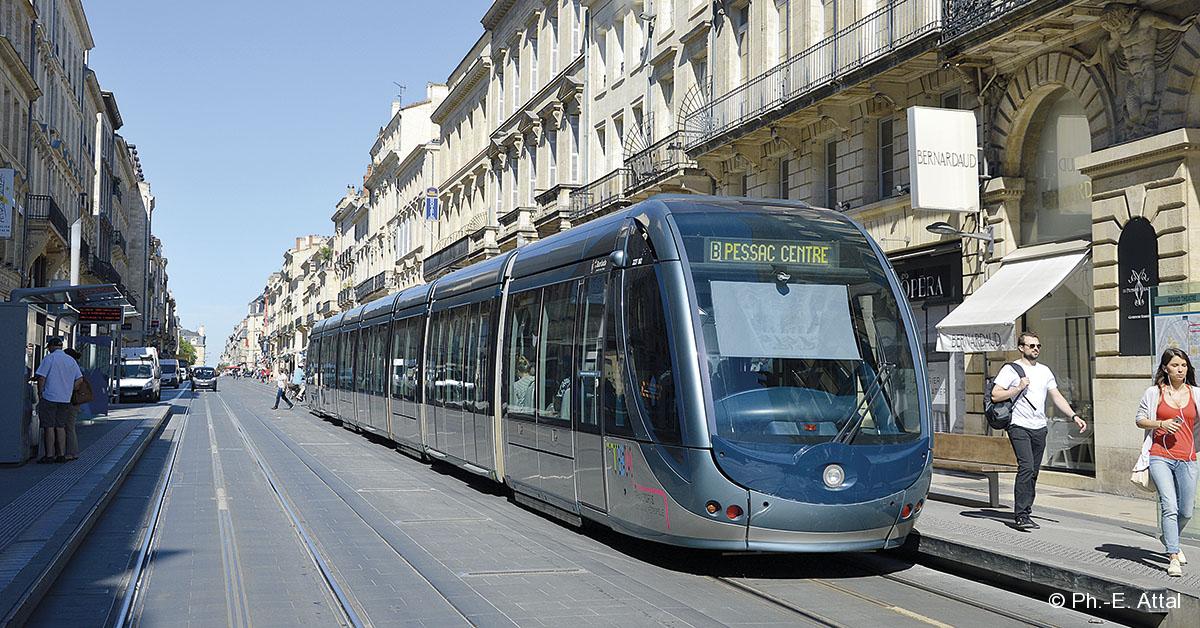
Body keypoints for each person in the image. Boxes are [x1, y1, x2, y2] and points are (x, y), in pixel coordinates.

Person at [990, 331, 1088, 530]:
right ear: (1021, 348)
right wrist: (1017, 388)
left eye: (1038, 346)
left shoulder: (1045, 371)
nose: (1036, 349)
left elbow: (1056, 396)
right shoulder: (1011, 369)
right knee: (1026, 467)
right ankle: (1021, 515)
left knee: (1034, 471)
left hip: (1039, 427)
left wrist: (1074, 416)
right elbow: (995, 395)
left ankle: (1027, 510)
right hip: (1018, 425)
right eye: (1032, 345)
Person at [1134, 348, 1199, 577]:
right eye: (1175, 365)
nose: (1180, 369)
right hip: (1160, 455)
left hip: (1188, 457)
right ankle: (1173, 556)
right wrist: (1161, 424)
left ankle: (1169, 536)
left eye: (1183, 365)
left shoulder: (1196, 393)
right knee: (1169, 505)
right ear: (1165, 368)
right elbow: (1139, 420)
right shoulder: (1154, 393)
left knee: (1187, 511)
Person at [33, 337, 83, 463]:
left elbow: (41, 378)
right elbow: (79, 379)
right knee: (60, 427)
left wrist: (40, 393)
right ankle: (61, 455)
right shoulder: (71, 360)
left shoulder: (49, 358)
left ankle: (49, 455)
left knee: (49, 427)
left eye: (48, 348)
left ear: (51, 347)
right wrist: (69, 389)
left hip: (49, 397)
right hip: (65, 399)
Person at [63, 348, 90, 461]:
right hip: (74, 401)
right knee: (69, 426)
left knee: (69, 426)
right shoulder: (76, 366)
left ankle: (71, 452)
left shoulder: (72, 367)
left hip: (71, 401)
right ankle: (72, 452)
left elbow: (77, 383)